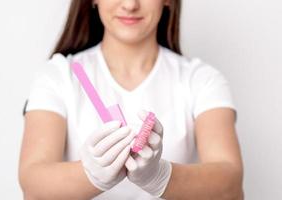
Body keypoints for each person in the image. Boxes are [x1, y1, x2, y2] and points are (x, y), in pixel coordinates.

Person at [18, 0, 244, 199]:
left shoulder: (201, 79)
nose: (130, 4)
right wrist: (91, 174)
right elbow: (33, 186)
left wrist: (159, 176)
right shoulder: (59, 75)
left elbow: (231, 185)